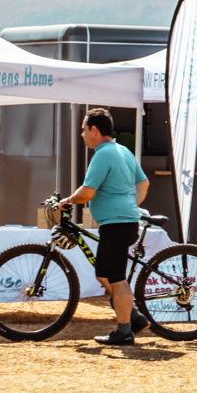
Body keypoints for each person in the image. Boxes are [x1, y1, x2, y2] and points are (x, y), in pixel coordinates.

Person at [59, 108, 150, 345]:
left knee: (117, 279)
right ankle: (133, 316)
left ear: (94, 130)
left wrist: (67, 201)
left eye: (83, 129)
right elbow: (144, 183)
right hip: (121, 221)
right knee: (103, 274)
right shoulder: (123, 151)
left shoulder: (103, 155)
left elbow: (87, 192)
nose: (82, 134)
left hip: (117, 224)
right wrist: (131, 205)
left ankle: (124, 331)